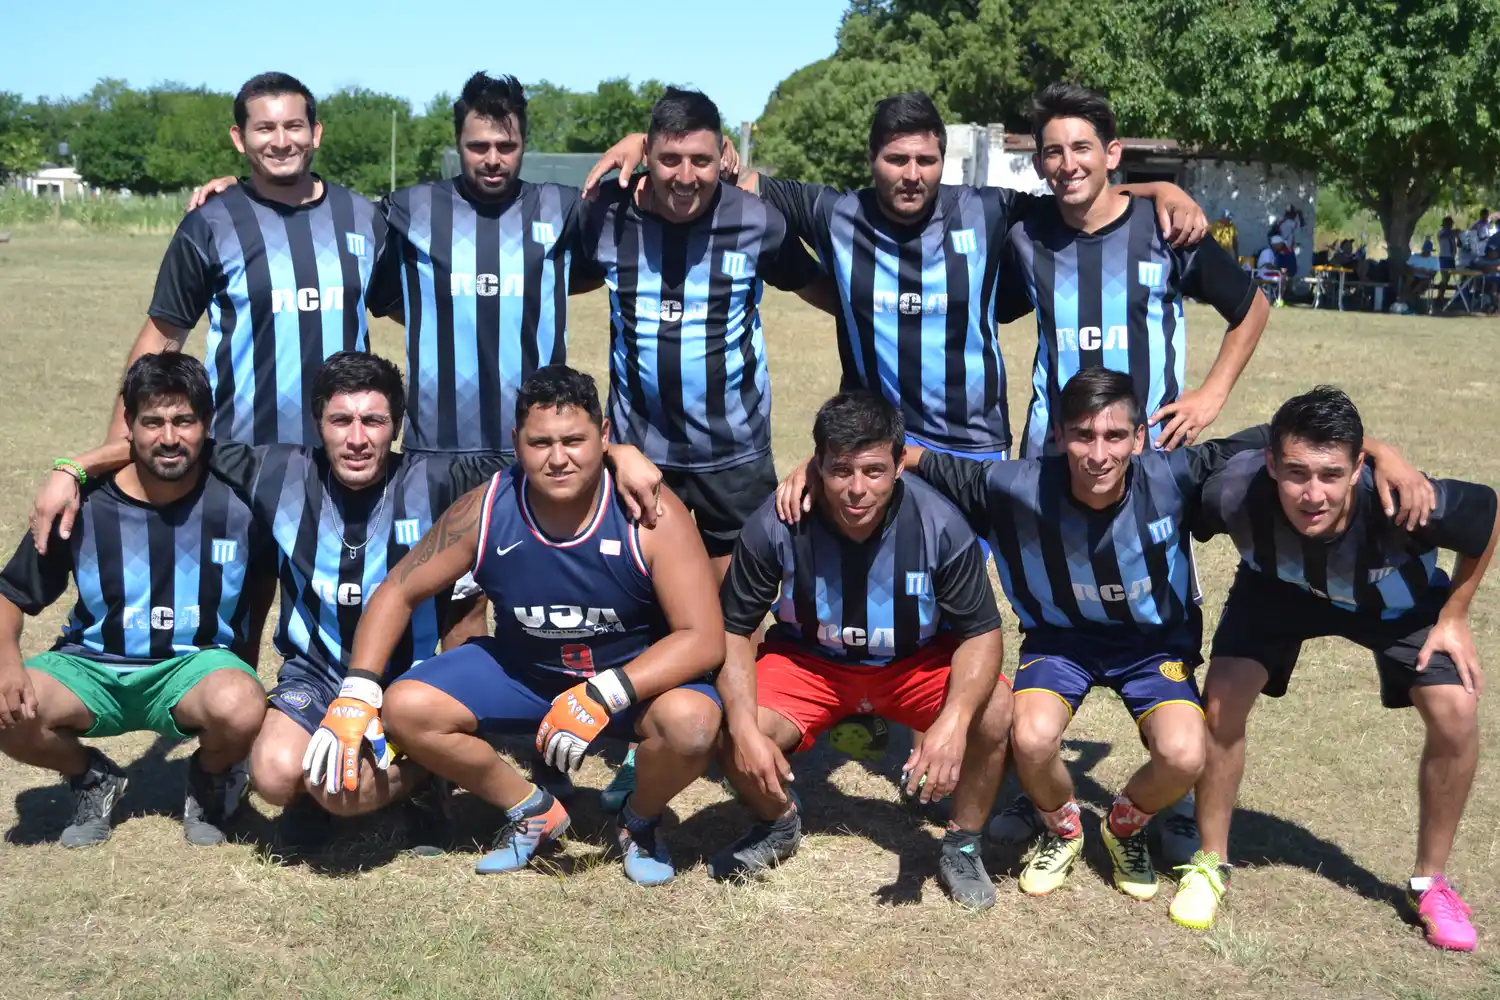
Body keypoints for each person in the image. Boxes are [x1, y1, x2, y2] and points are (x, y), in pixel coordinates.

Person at [774, 369, 1427, 905]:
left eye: (1116, 435)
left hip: (1154, 648)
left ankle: (1123, 826)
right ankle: (1061, 828)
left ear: (1141, 438)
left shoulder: (1177, 474)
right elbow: (906, 457)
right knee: (1027, 733)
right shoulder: (1013, 485)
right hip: (1061, 644)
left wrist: (1381, 451)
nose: (1098, 452)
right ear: (1057, 436)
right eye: (1082, 434)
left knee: (1185, 752)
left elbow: (1282, 440)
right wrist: (814, 465)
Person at [30, 353, 665, 848]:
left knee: (343, 789)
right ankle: (364, 780)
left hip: (412, 678)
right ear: (317, 425)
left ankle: (422, 778)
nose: (357, 437)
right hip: (316, 672)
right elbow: (171, 440)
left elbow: (548, 445)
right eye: (341, 420)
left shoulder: (440, 475)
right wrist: (74, 468)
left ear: (397, 426)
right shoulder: (273, 471)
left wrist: (618, 451)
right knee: (278, 776)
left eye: (374, 421)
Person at [586, 91, 1209, 466]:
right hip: (873, 443)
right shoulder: (835, 212)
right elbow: (719, 171)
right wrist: (644, 140)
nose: (911, 173)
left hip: (973, 444)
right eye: (896, 158)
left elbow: (1081, 196)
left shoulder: (986, 210)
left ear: (943, 160)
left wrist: (1156, 188)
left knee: (962, 610)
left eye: (925, 159)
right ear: (872, 160)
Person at [332, 366, 725, 885]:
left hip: (627, 680)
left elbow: (703, 638)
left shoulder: (648, 510)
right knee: (405, 708)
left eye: (574, 440)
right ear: (516, 442)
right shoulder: (488, 507)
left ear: (605, 438)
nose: (558, 458)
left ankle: (640, 821)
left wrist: (605, 693)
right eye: (540, 442)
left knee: (693, 725)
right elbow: (397, 590)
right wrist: (357, 690)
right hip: (526, 673)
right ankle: (530, 809)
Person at [1178, 386, 1495, 951]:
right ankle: (1211, 861)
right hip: (1278, 589)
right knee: (1221, 701)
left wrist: (1456, 614)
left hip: (1394, 604)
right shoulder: (1234, 488)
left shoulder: (1407, 500)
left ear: (1356, 471)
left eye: (1331, 474)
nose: (1312, 492)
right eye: (1296, 472)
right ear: (1272, 465)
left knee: (1456, 711)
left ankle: (1431, 883)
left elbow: (1487, 515)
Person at [715, 391, 1013, 909]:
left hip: (911, 664)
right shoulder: (778, 520)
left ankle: (963, 843)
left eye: (874, 471)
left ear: (900, 464)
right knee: (733, 723)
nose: (856, 489)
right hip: (810, 664)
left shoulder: (941, 524)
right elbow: (734, 629)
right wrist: (741, 727)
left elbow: (982, 632)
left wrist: (954, 719)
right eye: (841, 471)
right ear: (818, 465)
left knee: (996, 712)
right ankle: (778, 820)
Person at [0, 354, 273, 847]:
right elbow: (10, 594)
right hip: (91, 666)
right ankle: (91, 777)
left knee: (243, 703)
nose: (169, 437)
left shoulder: (239, 499)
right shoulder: (83, 504)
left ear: (206, 424)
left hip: (192, 668)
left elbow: (262, 585)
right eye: (152, 421)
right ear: (129, 426)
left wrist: (243, 662)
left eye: (183, 420)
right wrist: (6, 661)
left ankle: (209, 780)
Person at [577, 87, 818, 578]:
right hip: (638, 456)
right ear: (647, 154)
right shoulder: (604, 215)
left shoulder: (756, 220)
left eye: (701, 160)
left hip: (734, 456)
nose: (686, 176)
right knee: (646, 610)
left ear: (722, 154)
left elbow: (820, 288)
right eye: (670, 159)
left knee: (734, 615)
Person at [1006, 84, 1269, 458]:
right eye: (1053, 152)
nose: (1068, 164)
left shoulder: (1167, 229)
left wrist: (1212, 395)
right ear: (1038, 165)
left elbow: (1252, 307)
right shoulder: (1025, 238)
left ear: (1111, 154)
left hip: (1150, 456)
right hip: (1052, 458)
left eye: (1082, 148)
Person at [126, 73, 385, 448]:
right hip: (240, 456)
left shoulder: (364, 217)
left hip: (347, 453)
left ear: (315, 133)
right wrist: (111, 457)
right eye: (265, 128)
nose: (281, 142)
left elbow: (420, 309)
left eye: (294, 126)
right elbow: (161, 340)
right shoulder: (210, 224)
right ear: (239, 138)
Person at [1436, 217, 1459, 308]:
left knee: (1448, 278)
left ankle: (1442, 295)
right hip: (1444, 257)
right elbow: (1445, 235)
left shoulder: (1451, 233)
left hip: (1451, 258)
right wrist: (1454, 232)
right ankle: (1440, 296)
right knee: (1444, 278)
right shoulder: (1442, 232)